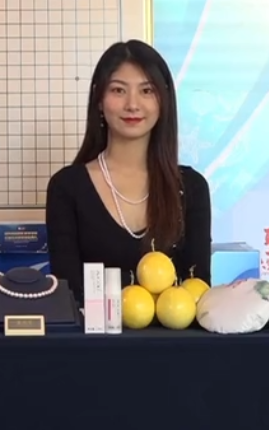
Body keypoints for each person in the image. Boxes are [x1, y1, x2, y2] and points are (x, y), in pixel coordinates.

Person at [44, 40, 212, 302]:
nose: (132, 104)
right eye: (118, 90)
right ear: (99, 100)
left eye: (147, 91)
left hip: (175, 330)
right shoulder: (67, 188)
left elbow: (197, 290)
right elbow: (68, 293)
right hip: (91, 330)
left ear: (164, 100)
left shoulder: (192, 188)